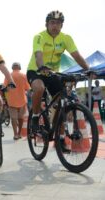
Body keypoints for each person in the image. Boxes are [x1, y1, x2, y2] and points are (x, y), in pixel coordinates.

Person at [27, 10, 89, 139]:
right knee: (39, 88)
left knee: (62, 102)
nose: (55, 26)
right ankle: (35, 117)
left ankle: (59, 139)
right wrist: (41, 66)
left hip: (53, 73)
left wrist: (88, 69)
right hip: (36, 70)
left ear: (62, 25)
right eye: (52, 22)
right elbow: (38, 54)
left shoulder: (66, 38)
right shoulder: (39, 36)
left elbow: (76, 55)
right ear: (47, 24)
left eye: (58, 23)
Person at [4, 62, 30, 140]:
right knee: (21, 117)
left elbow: (5, 86)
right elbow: (27, 88)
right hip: (22, 99)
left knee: (13, 118)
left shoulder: (8, 76)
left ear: (12, 68)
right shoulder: (24, 76)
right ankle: (19, 133)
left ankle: (15, 134)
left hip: (11, 100)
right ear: (20, 67)